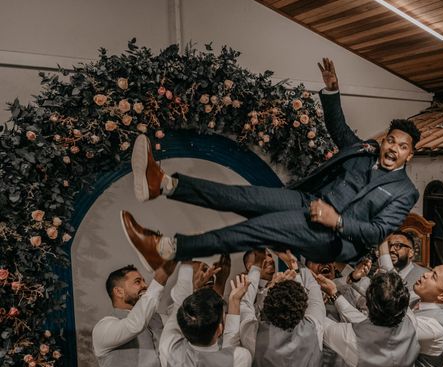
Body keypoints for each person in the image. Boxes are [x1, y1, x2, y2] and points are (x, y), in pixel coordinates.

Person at [120, 57, 421, 269]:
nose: (393, 147)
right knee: (242, 195)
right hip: (307, 201)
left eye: (402, 146)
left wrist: (337, 221)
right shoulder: (365, 150)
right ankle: (164, 184)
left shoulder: (404, 191)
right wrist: (331, 90)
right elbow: (338, 128)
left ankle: (166, 249)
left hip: (332, 238)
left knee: (258, 228)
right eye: (391, 140)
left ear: (410, 155)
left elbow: (377, 232)